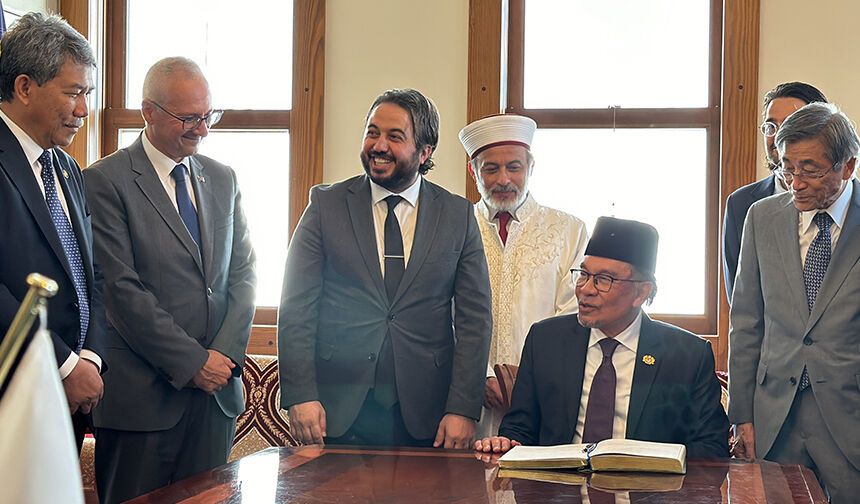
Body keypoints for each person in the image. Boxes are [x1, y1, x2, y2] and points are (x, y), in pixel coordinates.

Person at [279, 88, 492, 449]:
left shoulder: (457, 216)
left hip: (428, 413)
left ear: (425, 151)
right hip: (338, 410)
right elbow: (297, 306)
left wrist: (463, 409)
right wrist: (300, 395)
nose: (378, 146)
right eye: (372, 132)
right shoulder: (325, 205)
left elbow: (475, 319)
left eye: (395, 137)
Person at [84, 57, 256, 503]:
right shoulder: (104, 181)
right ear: (149, 111)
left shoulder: (223, 177)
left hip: (215, 401)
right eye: (189, 119)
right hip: (142, 403)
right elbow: (120, 292)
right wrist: (192, 362)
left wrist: (222, 355)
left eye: (208, 116)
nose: (202, 130)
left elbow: (244, 274)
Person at [475, 217, 729, 459]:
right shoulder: (545, 340)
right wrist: (505, 442)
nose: (585, 289)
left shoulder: (687, 355)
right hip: (557, 489)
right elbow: (520, 428)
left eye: (603, 280)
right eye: (583, 274)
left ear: (642, 292)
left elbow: (710, 446)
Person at [729, 102, 860, 503]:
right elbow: (746, 322)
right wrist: (742, 417)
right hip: (775, 417)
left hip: (849, 417)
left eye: (811, 170)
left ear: (848, 167)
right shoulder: (761, 217)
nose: (795, 183)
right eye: (786, 168)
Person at [0, 12, 104, 449]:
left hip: (70, 397)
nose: (84, 109)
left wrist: (90, 358)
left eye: (89, 93)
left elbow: (89, 275)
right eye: (74, 93)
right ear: (25, 88)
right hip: (14, 393)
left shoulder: (65, 166)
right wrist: (62, 364)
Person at [458, 114, 587, 436]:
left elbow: (575, 314)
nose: (503, 179)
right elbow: (441, 311)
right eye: (491, 168)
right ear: (473, 171)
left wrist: (526, 382)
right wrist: (482, 376)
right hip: (465, 397)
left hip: (546, 393)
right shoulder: (455, 227)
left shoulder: (568, 230)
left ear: (531, 167)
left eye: (514, 167)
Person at [722, 82, 827, 302]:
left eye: (790, 123)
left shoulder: (845, 199)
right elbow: (739, 299)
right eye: (771, 126)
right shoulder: (740, 204)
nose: (779, 135)